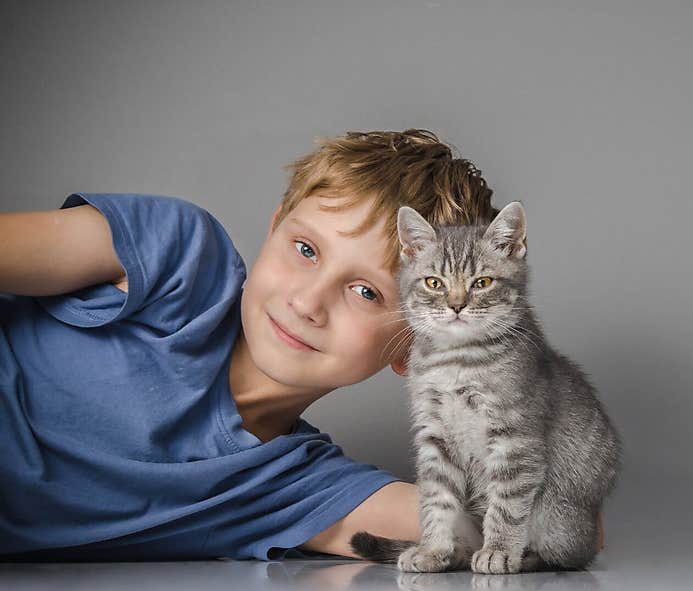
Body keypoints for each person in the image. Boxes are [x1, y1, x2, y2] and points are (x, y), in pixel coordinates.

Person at [0, 128, 604, 562]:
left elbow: (563, 530)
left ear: (412, 346)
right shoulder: (180, 255)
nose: (308, 302)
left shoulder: (297, 488)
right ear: (272, 230)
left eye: (366, 292)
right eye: (306, 249)